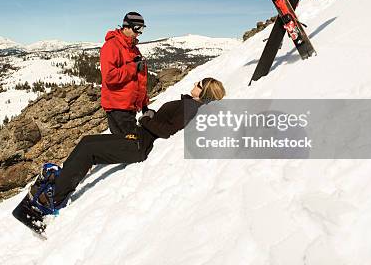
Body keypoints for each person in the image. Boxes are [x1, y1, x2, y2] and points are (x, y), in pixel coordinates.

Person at [12, 77, 226, 226]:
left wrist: (147, 119)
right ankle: (61, 181)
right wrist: (152, 116)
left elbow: (168, 132)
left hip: (139, 144)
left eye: (199, 84)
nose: (195, 84)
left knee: (89, 148)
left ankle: (54, 199)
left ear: (204, 92)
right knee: (88, 143)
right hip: (140, 137)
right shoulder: (189, 105)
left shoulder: (192, 108)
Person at [99, 12, 149, 136]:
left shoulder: (133, 48)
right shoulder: (111, 46)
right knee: (129, 145)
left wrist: (143, 104)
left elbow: (139, 80)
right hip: (119, 108)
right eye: (136, 29)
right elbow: (109, 77)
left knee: (128, 145)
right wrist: (133, 67)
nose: (139, 33)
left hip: (129, 107)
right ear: (126, 27)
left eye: (142, 29)